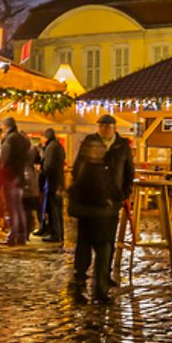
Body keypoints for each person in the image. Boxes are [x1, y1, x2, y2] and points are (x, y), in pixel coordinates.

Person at [68, 115, 133, 304]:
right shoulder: (89, 142)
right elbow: (77, 169)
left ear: (114, 128)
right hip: (88, 202)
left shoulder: (122, 146)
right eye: (102, 125)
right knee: (85, 242)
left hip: (109, 203)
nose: (104, 129)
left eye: (108, 126)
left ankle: (101, 283)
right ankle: (81, 279)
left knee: (106, 244)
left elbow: (128, 171)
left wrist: (122, 194)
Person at [0, 117, 30, 245]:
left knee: (11, 208)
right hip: (20, 176)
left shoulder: (10, 139)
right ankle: (22, 236)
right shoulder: (22, 139)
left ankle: (12, 236)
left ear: (6, 126)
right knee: (19, 207)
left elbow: (4, 159)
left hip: (10, 176)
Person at [36, 127, 65, 244]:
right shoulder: (57, 146)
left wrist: (41, 171)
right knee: (56, 209)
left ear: (46, 137)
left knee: (54, 209)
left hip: (53, 182)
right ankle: (56, 233)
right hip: (58, 182)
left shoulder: (51, 148)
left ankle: (56, 234)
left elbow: (48, 167)